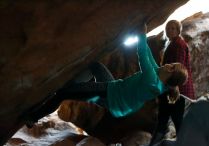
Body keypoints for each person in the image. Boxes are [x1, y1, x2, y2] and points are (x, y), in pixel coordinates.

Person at [22, 23, 188, 127]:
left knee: (62, 94)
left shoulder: (152, 81)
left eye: (171, 65)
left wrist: (141, 33)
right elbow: (151, 60)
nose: (168, 64)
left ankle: (33, 118)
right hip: (116, 90)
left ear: (171, 71)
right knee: (95, 66)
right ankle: (75, 88)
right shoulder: (159, 77)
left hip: (112, 95)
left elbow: (143, 54)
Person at [150, 20, 195, 145]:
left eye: (173, 28)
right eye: (168, 28)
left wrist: (172, 88)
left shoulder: (178, 45)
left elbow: (177, 70)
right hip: (173, 89)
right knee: (168, 120)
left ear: (178, 30)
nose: (170, 30)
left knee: (172, 121)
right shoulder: (174, 43)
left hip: (176, 90)